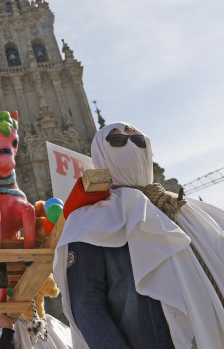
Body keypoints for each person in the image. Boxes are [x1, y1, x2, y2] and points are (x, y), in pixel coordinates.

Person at [53, 122, 224, 348]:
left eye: (138, 139)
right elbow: (87, 305)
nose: (130, 145)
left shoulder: (183, 209)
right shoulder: (88, 222)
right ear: (101, 155)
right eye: (117, 140)